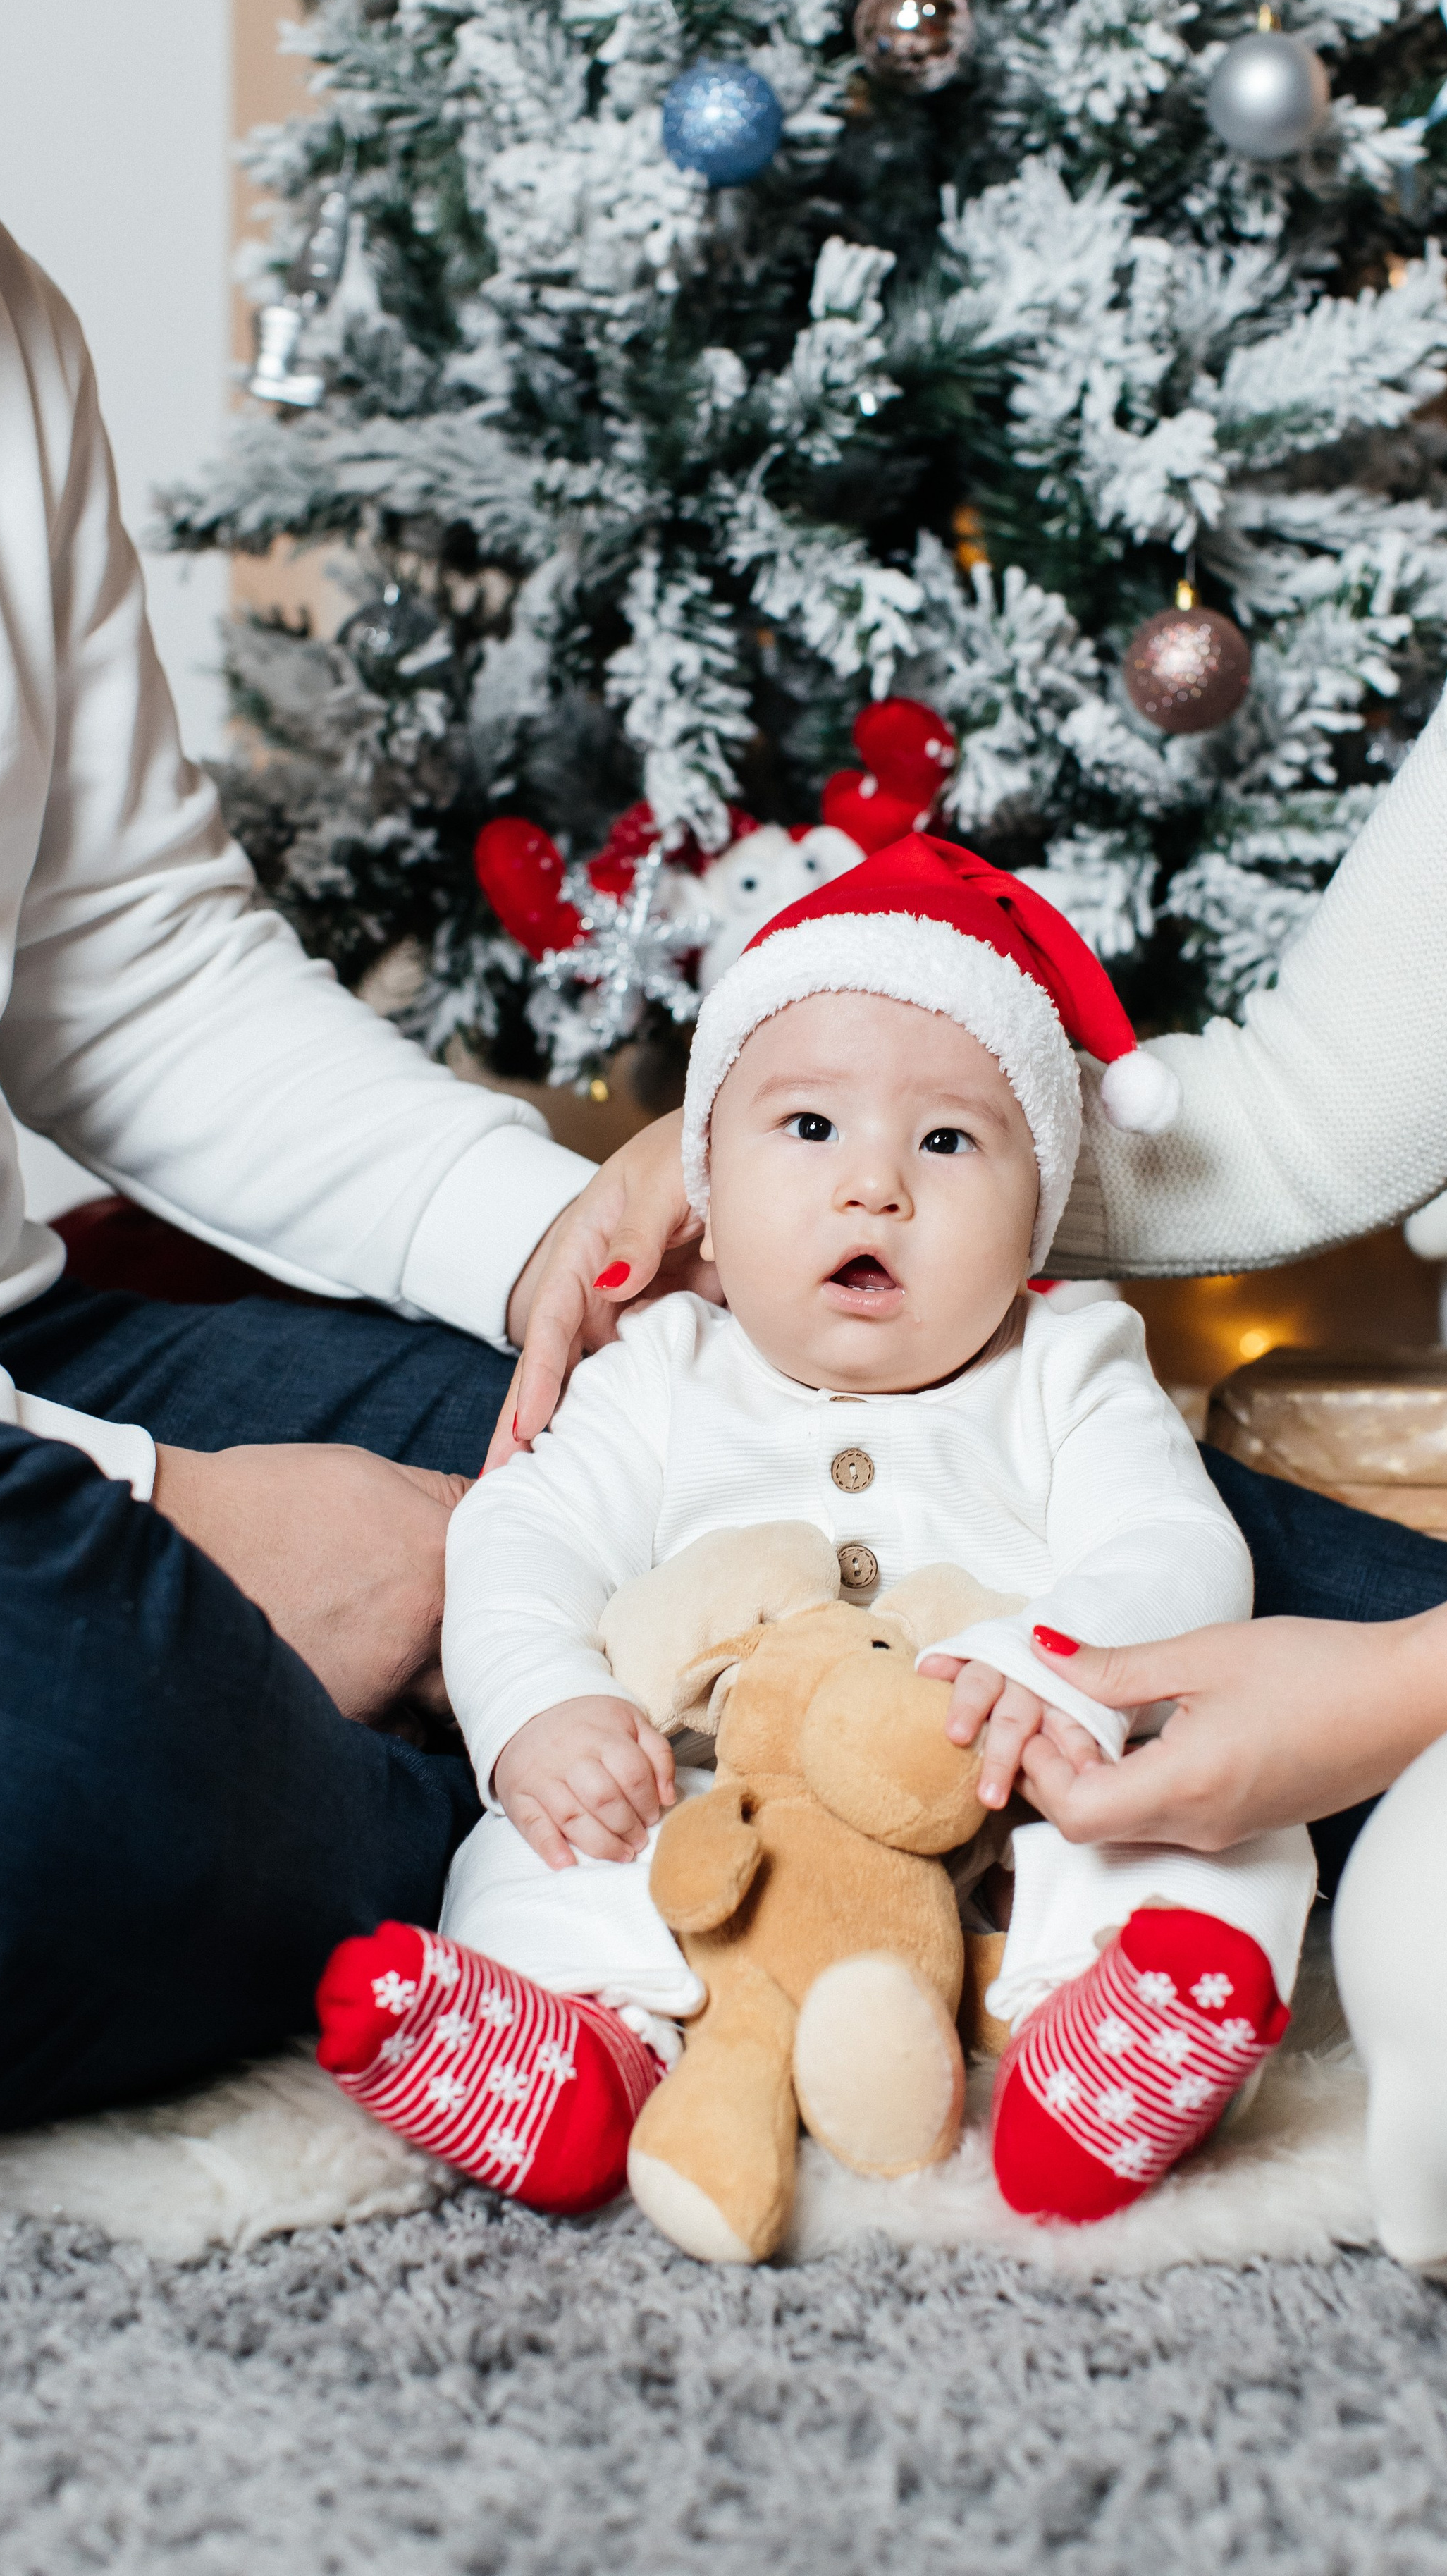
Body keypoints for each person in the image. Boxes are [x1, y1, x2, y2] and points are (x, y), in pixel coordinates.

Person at [506, 0, 1447, 2323]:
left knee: (1409, 1885)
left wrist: (1385, 1692)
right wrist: (834, 1116)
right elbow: (1291, 1120)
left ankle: (1116, 2007)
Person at [0, 0, 715, 2144]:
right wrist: (187, 1517)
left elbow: (125, 965)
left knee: (762, 1411)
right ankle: (569, 1873)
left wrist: (547, 1252)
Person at [314, 840, 1316, 2233]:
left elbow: (1171, 1542)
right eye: (807, 1130)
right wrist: (545, 1710)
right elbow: (518, 1538)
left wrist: (1047, 1673)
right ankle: (577, 2051)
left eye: (948, 1142)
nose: (875, 1189)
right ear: (702, 1200)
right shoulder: (661, 1368)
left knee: (1227, 1823)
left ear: (1037, 1205)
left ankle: (1101, 2037)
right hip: (705, 1807)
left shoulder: (1064, 1363)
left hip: (999, 1788)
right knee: (537, 1845)